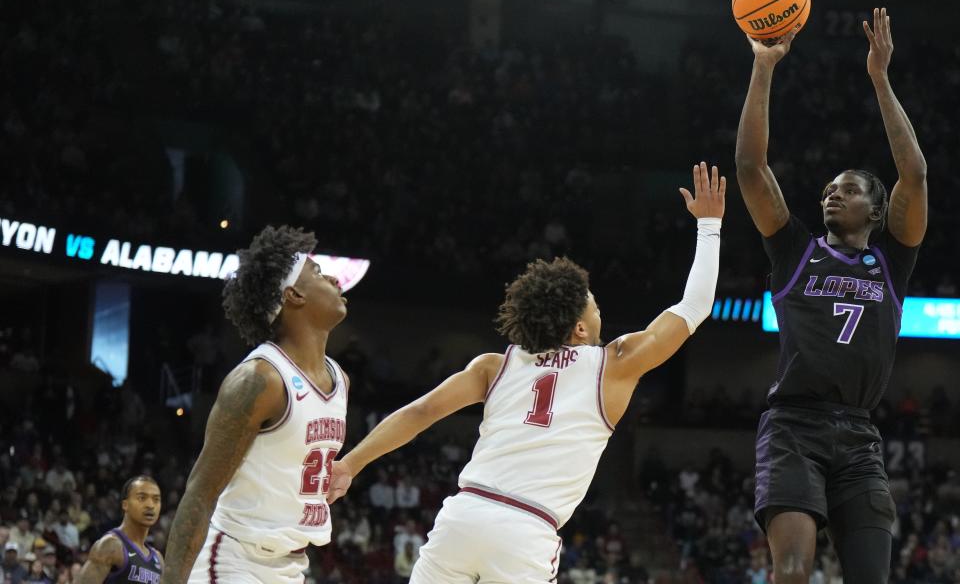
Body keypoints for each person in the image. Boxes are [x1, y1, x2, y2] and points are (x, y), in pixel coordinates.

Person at [328, 164, 725, 582]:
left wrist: (350, 464)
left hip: (463, 515)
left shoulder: (494, 366)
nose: (599, 308)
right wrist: (710, 226)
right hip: (526, 529)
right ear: (579, 328)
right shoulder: (613, 364)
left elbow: (419, 413)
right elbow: (694, 306)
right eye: (594, 304)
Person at [735, 8, 927, 583]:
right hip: (793, 428)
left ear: (876, 206)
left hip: (860, 435)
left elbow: (914, 174)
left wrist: (880, 79)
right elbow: (749, 165)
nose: (830, 197)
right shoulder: (795, 250)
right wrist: (763, 67)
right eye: (826, 191)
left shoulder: (891, 259)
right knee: (792, 572)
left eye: (845, 190)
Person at [160, 226, 350, 584]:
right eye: (318, 273)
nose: (334, 279)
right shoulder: (259, 380)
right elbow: (200, 493)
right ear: (293, 295)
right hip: (234, 560)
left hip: (291, 565)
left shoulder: (339, 379)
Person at [76, 476, 163, 583]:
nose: (150, 505)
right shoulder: (110, 545)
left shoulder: (158, 559)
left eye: (156, 500)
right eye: (142, 498)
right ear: (125, 505)